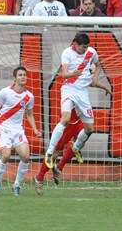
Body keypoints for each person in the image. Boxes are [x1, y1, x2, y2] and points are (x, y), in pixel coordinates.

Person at [43, 33, 103, 168]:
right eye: (83, 47)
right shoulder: (67, 53)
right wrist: (73, 73)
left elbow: (98, 66)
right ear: (76, 44)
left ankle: (75, 148)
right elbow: (64, 75)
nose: (85, 49)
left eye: (87, 47)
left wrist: (96, 78)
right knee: (65, 118)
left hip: (82, 93)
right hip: (69, 89)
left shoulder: (91, 52)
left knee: (89, 129)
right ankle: (49, 151)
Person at [0, 66, 41, 196]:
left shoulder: (29, 96)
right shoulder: (5, 92)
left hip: (18, 130)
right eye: (20, 75)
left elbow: (29, 115)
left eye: (24, 75)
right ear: (15, 78)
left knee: (25, 156)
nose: (23, 77)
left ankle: (17, 185)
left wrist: (35, 129)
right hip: (4, 128)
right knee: (6, 155)